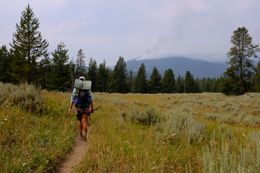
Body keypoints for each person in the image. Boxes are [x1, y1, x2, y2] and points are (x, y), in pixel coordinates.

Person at [68, 76, 94, 140]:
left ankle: (80, 134)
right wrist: (92, 107)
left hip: (78, 107)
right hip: (86, 106)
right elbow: (90, 98)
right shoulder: (87, 88)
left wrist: (70, 108)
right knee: (85, 121)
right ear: (84, 80)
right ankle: (85, 132)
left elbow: (72, 98)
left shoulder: (76, 88)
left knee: (79, 120)